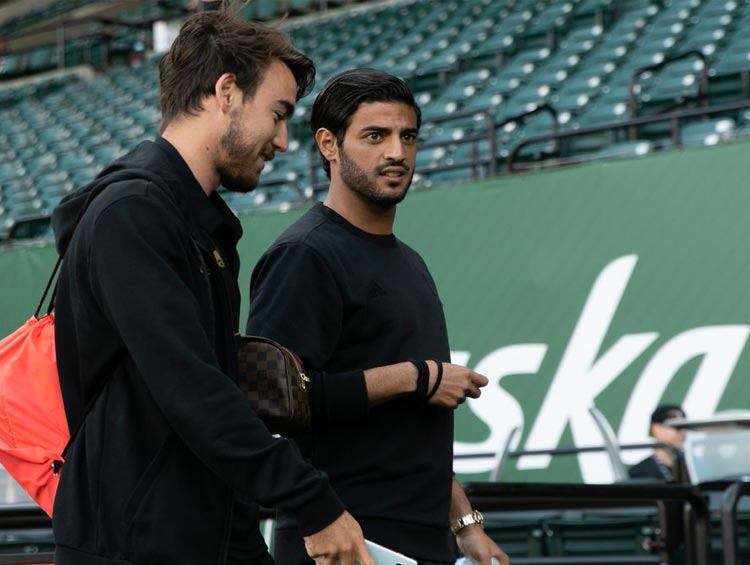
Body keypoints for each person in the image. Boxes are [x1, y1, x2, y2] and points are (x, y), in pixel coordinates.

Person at [49, 11, 374, 565]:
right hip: (132, 544)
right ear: (226, 92)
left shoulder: (202, 227)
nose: (282, 139)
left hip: (207, 533)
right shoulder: (131, 215)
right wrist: (309, 499)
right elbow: (192, 389)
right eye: (277, 114)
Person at [247, 68, 510, 565]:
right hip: (342, 540)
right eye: (375, 136)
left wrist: (464, 523)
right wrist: (415, 377)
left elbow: (414, 428)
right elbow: (270, 404)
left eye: (407, 136)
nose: (397, 152)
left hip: (421, 538)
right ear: (329, 144)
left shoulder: (408, 261)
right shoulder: (305, 255)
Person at [629, 404, 687, 482]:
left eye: (684, 427)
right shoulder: (640, 472)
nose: (682, 432)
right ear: (656, 429)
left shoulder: (695, 466)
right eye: (675, 426)